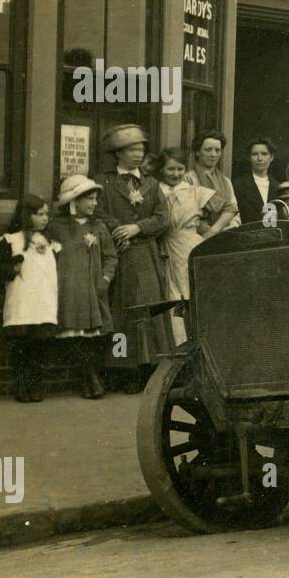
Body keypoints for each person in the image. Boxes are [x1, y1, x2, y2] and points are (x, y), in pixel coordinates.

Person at [94, 123, 171, 393]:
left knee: (149, 311)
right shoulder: (104, 182)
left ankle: (149, 369)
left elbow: (163, 218)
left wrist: (138, 228)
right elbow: (97, 212)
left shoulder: (151, 184)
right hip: (120, 255)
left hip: (147, 255)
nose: (138, 154)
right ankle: (123, 369)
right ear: (118, 153)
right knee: (123, 311)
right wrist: (119, 230)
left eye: (140, 149)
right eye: (131, 150)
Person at [150, 147, 234, 345]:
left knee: (193, 292)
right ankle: (178, 343)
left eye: (180, 169)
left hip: (190, 246)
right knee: (171, 296)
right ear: (161, 170)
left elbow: (230, 207)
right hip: (163, 246)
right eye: (170, 169)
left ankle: (202, 342)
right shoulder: (154, 191)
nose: (176, 174)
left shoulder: (194, 192)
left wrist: (212, 232)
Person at [50, 175, 116, 399]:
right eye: (89, 199)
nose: (94, 203)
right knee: (76, 336)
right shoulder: (57, 227)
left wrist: (105, 278)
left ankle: (93, 377)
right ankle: (88, 379)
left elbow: (110, 256)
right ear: (74, 201)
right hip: (69, 290)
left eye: (95, 199)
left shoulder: (98, 227)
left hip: (93, 289)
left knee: (95, 336)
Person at [0, 193, 58, 402]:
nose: (45, 218)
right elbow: (0, 271)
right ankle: (22, 387)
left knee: (39, 348)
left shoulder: (49, 242)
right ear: (26, 215)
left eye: (46, 214)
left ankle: (36, 386)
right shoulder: (11, 240)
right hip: (22, 303)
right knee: (22, 348)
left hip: (43, 302)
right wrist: (13, 268)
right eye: (39, 214)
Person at [187, 130, 240, 230]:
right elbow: (187, 215)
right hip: (198, 234)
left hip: (225, 233)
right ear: (197, 152)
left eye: (217, 150)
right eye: (208, 150)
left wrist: (227, 229)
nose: (213, 154)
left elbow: (235, 214)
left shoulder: (226, 181)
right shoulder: (188, 179)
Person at [233, 137, 282, 224]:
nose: (260, 158)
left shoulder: (278, 187)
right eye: (255, 154)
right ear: (249, 157)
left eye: (264, 154)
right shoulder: (238, 185)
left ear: (271, 157)